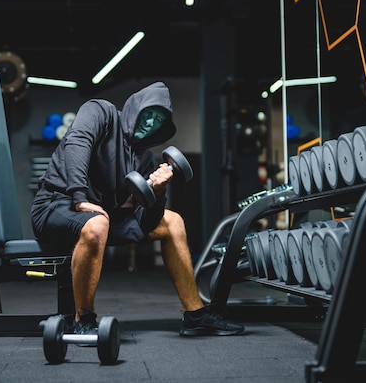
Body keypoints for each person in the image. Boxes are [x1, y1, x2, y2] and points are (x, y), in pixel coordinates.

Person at [31, 81, 245, 337]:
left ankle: (195, 315)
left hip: (103, 217)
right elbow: (77, 142)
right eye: (148, 114)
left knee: (172, 221)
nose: (150, 123)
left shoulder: (144, 158)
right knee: (97, 222)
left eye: (158, 121)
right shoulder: (101, 112)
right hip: (56, 205)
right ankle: (83, 319)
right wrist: (79, 196)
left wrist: (158, 191)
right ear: (136, 108)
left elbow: (148, 219)